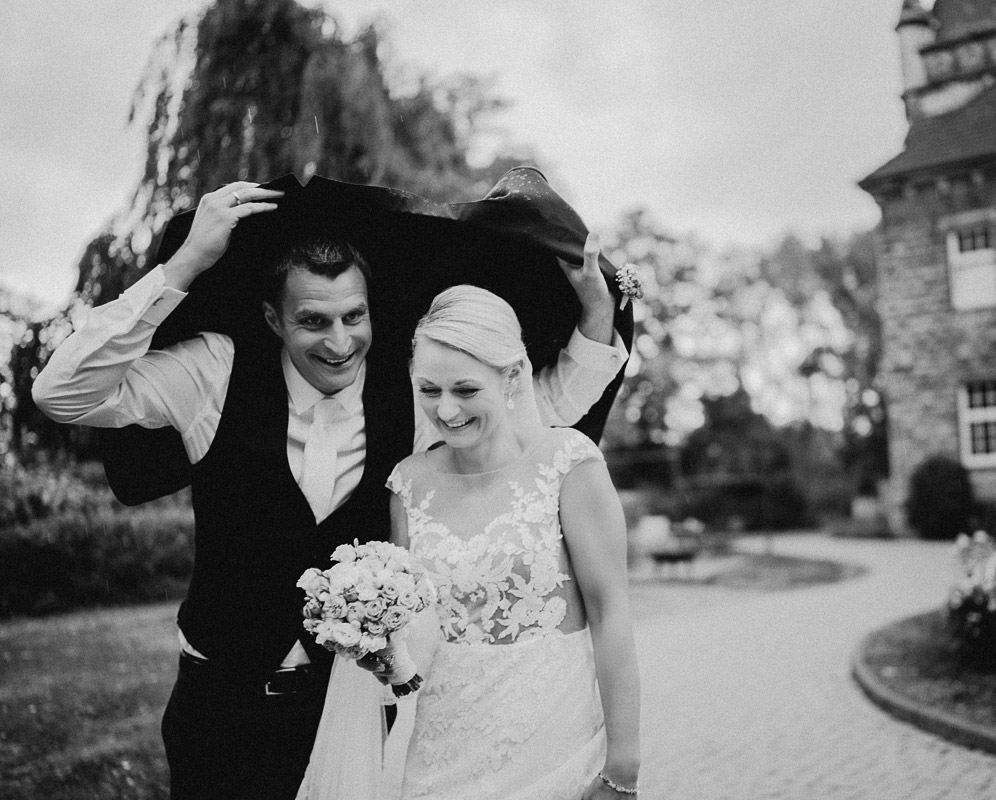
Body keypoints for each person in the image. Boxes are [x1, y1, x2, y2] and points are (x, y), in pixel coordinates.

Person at [31, 181, 628, 800]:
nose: (339, 343)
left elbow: (537, 406)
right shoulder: (214, 370)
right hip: (219, 712)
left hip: (349, 715)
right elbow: (64, 394)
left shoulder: (416, 396)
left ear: (372, 308)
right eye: (313, 322)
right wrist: (182, 266)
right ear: (273, 318)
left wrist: (596, 314)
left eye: (354, 317)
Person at [371, 285, 641, 798]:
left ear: (513, 376)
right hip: (438, 753)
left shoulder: (568, 464)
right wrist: (383, 652)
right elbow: (415, 641)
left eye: (466, 391)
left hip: (554, 745)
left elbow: (611, 615)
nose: (446, 411)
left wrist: (622, 768)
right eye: (429, 390)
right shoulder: (407, 484)